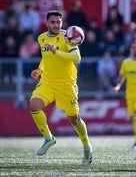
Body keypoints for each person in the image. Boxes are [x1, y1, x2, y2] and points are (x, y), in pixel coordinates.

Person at [29, 10, 92, 166]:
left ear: (62, 22)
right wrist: (40, 69)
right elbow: (45, 57)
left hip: (66, 85)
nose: (56, 25)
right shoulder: (41, 38)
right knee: (34, 106)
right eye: (53, 22)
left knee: (74, 119)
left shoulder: (67, 37)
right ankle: (49, 138)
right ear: (47, 23)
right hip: (48, 83)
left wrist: (56, 51)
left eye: (58, 22)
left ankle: (86, 147)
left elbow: (77, 58)